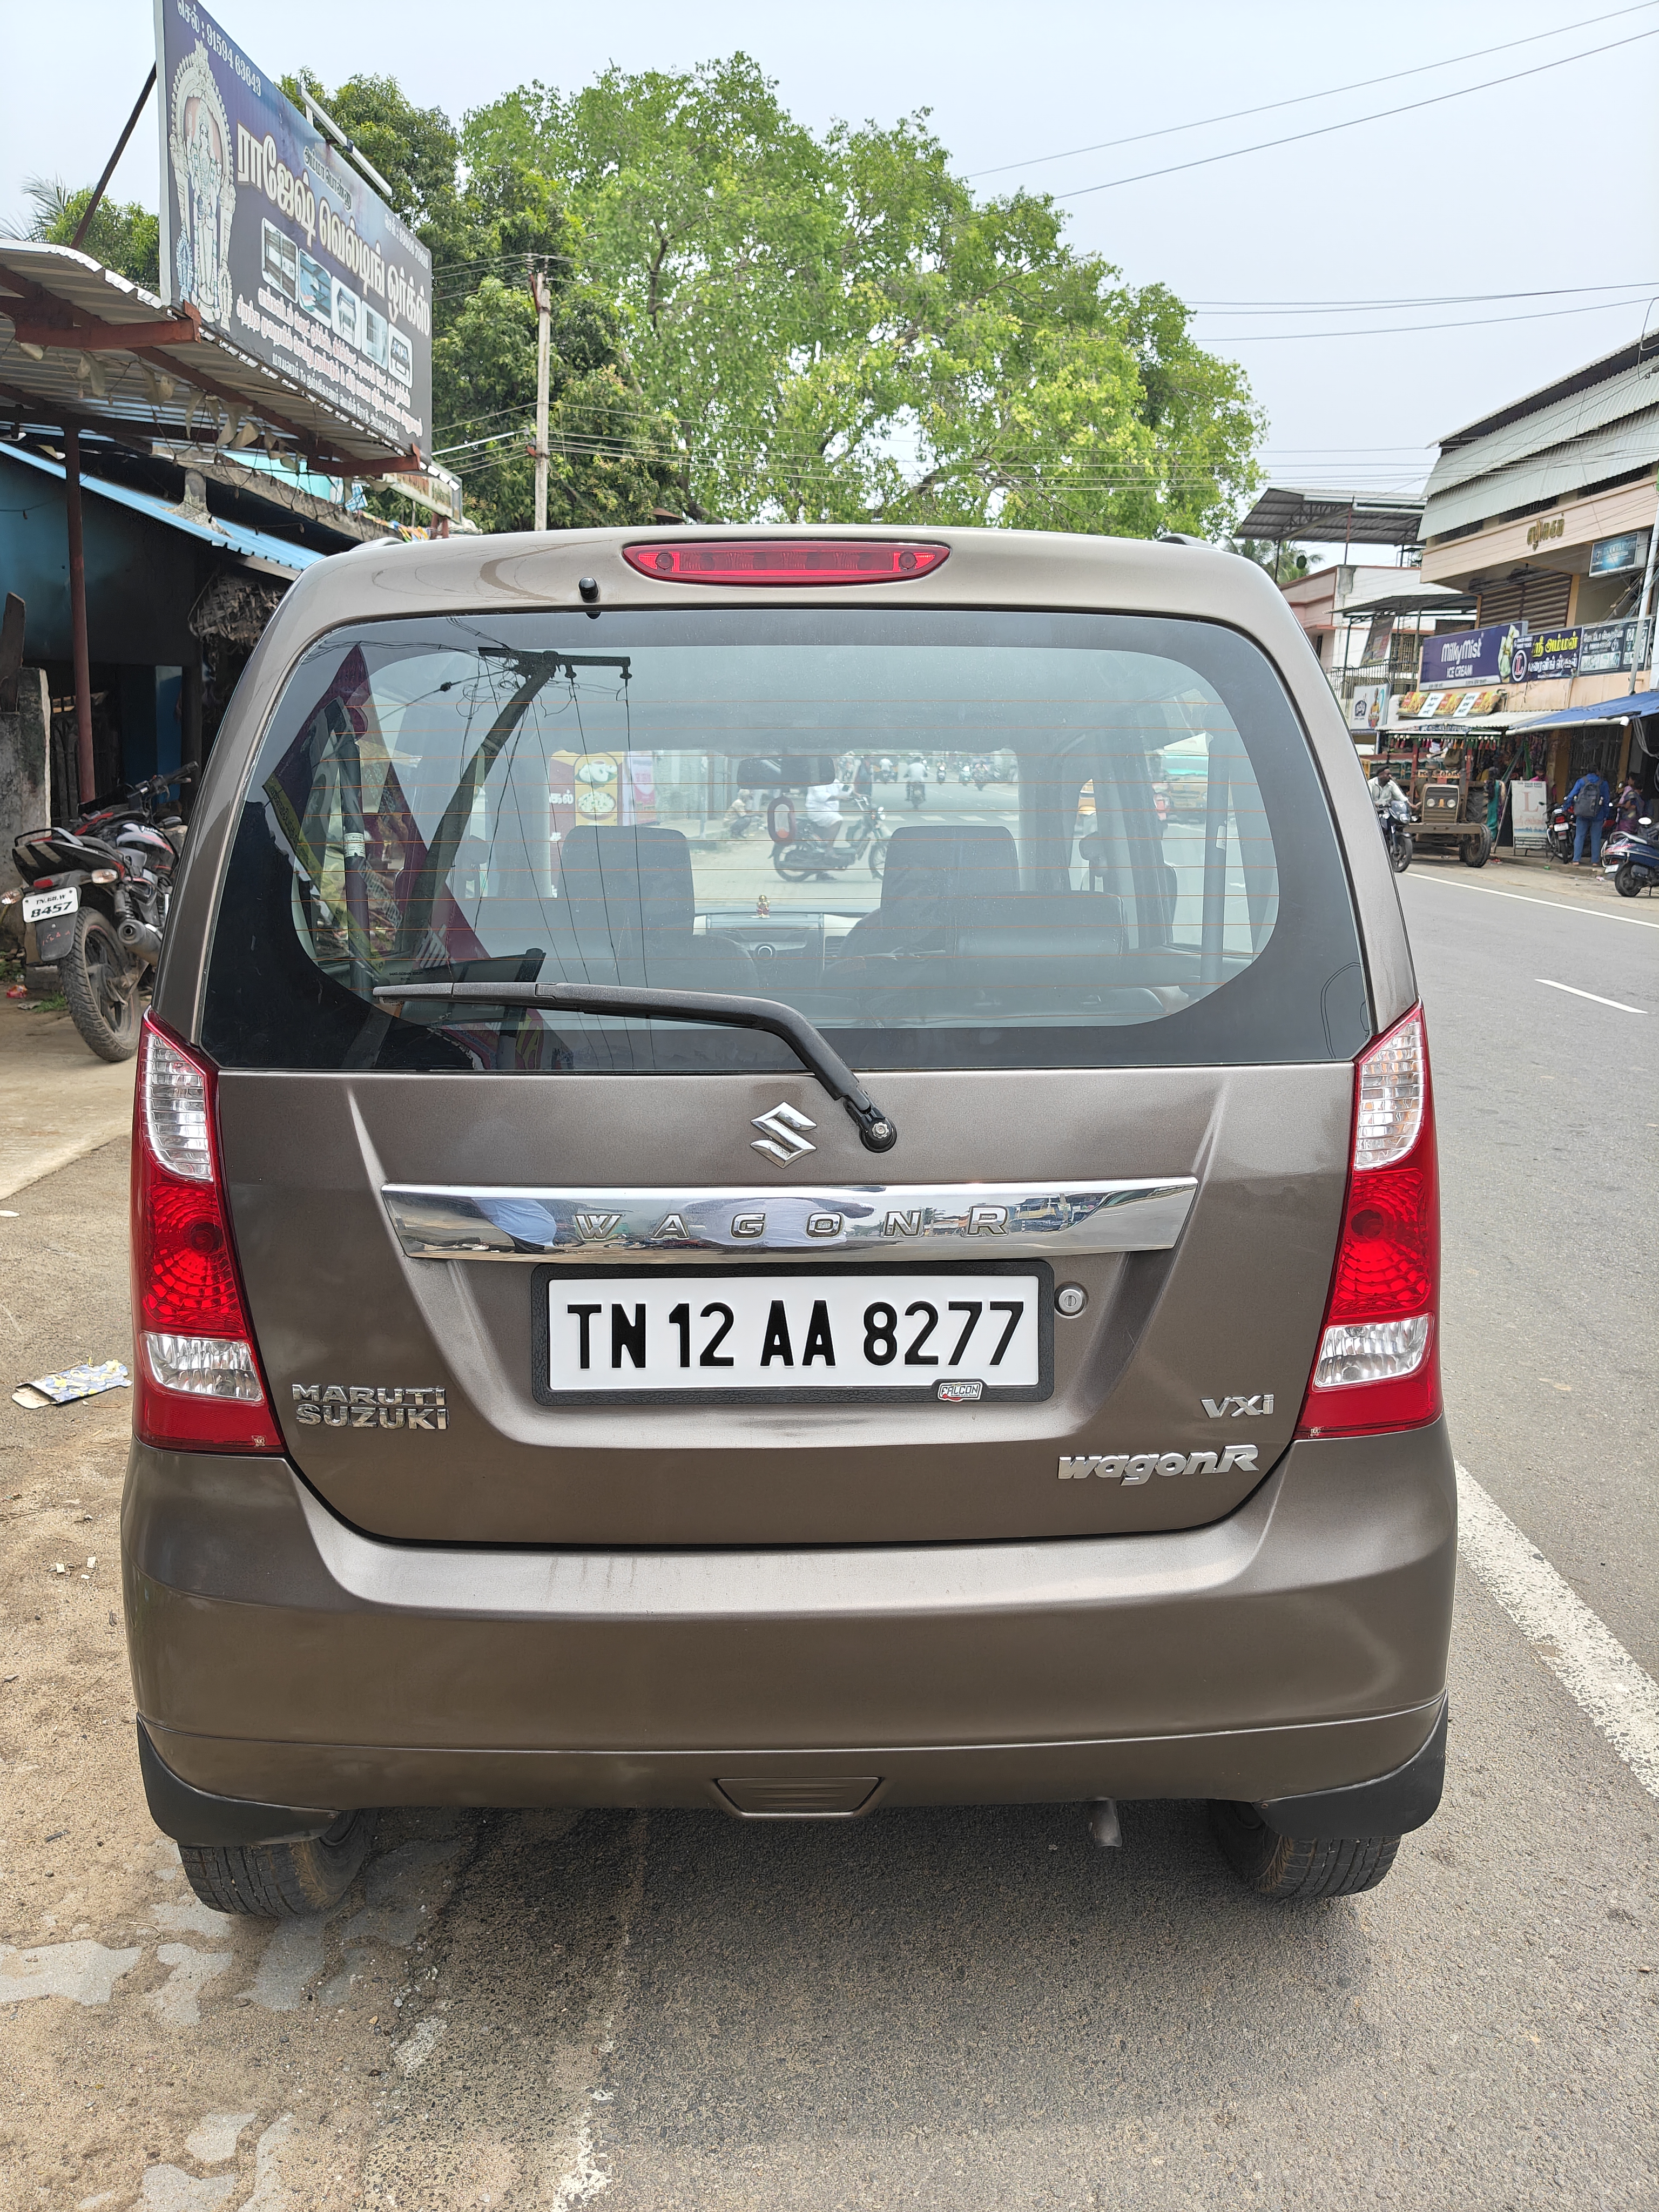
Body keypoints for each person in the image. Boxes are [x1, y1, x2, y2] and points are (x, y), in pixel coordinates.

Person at [1564, 765, 1612, 866]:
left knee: (1580, 836)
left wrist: (1566, 808)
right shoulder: (1603, 783)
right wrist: (1606, 815)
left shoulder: (1581, 781)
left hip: (1582, 813)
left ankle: (1576, 860)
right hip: (1598, 814)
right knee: (1596, 837)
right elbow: (1606, 801)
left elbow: (1571, 796)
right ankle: (1595, 861)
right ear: (1598, 772)